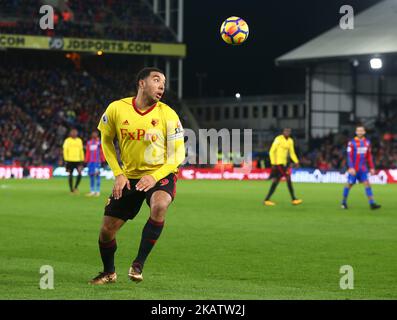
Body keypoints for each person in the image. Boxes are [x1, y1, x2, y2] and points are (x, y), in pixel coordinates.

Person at [89, 67, 185, 285]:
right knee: (106, 231)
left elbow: (178, 153)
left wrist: (155, 176)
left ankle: (138, 263)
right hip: (129, 177)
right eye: (156, 79)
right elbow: (106, 141)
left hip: (160, 174)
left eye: (164, 82)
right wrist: (118, 174)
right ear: (141, 83)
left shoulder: (168, 114)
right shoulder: (116, 108)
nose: (162, 85)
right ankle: (109, 272)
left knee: (160, 205)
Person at [341, 126, 381, 210]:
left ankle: (372, 203)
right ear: (356, 132)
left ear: (364, 132)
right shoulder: (351, 143)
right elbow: (349, 156)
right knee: (349, 184)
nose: (359, 132)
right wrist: (351, 167)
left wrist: (372, 167)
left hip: (363, 169)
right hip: (354, 169)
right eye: (358, 131)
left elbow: (369, 156)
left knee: (367, 184)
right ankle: (343, 202)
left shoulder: (367, 142)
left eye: (361, 131)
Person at [264, 128, 303, 206]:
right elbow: (272, 151)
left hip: (284, 164)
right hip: (278, 163)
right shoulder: (278, 139)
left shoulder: (290, 141)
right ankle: (294, 199)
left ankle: (267, 199)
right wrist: (273, 163)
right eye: (286, 131)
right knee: (288, 178)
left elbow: (292, 153)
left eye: (289, 131)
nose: (287, 132)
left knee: (276, 181)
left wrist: (296, 161)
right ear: (283, 132)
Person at [63, 128, 84, 194]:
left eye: (75, 132)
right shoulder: (67, 141)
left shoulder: (79, 140)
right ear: (70, 133)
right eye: (73, 132)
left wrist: (82, 159)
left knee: (80, 173)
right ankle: (71, 189)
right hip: (69, 160)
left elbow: (81, 150)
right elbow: (65, 150)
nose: (74, 133)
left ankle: (75, 187)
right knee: (70, 174)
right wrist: (66, 159)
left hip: (78, 160)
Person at [85, 130, 105, 197]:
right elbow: (88, 152)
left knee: (97, 176)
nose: (94, 135)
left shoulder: (99, 143)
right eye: (93, 134)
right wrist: (86, 160)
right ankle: (92, 191)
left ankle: (98, 191)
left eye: (95, 134)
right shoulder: (89, 143)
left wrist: (102, 159)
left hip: (97, 162)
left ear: (97, 135)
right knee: (91, 176)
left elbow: (102, 151)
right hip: (91, 162)